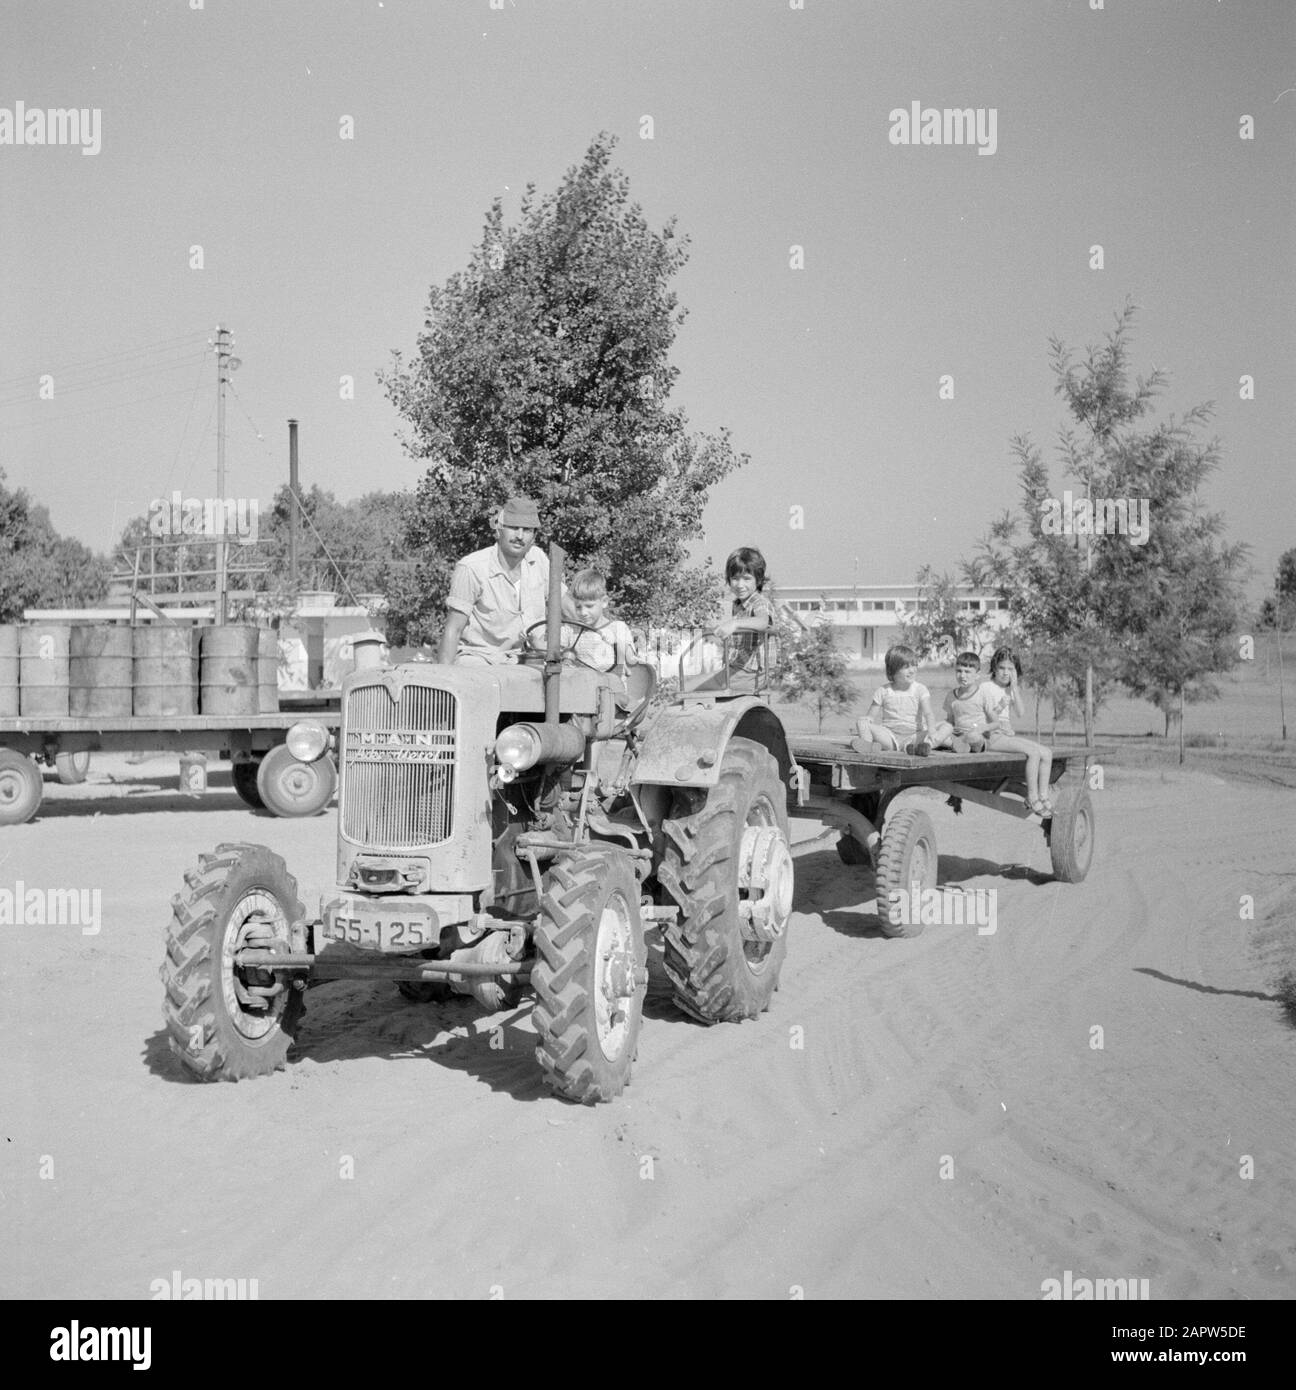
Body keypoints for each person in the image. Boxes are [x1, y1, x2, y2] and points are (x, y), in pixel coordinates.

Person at [438, 496, 566, 666]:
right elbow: (454, 629)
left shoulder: (539, 560)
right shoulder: (472, 568)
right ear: (498, 530)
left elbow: (568, 605)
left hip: (523, 659)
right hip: (479, 659)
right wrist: (444, 676)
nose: (519, 536)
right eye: (513, 528)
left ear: (534, 537)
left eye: (527, 530)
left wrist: (603, 629)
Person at [982, 646, 1054, 815]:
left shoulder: (1010, 689)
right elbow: (984, 715)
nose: (1005, 673)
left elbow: (1020, 713)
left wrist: (1015, 688)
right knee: (1033, 753)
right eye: (1001, 668)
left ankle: (1043, 796)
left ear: (1015, 671)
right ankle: (1032, 797)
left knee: (1046, 753)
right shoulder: (986, 687)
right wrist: (999, 723)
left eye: (1010, 669)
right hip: (992, 735)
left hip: (1005, 735)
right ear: (994, 667)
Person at [852, 643, 936, 756]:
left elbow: (928, 713)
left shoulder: (920, 690)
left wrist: (931, 729)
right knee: (861, 722)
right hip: (889, 737)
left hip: (914, 735)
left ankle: (915, 748)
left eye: (914, 665)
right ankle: (867, 745)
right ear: (893, 670)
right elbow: (870, 717)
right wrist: (865, 724)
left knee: (942, 728)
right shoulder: (883, 691)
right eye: (906, 667)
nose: (912, 670)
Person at [713, 546, 775, 682]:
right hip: (739, 669)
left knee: (689, 686)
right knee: (688, 684)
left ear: (758, 580)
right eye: (735, 578)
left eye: (746, 579)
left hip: (753, 674)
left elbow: (763, 622)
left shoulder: (759, 603)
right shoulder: (738, 605)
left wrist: (735, 623)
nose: (740, 585)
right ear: (729, 580)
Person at [564, 569, 641, 674]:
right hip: (580, 685)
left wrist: (615, 641)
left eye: (589, 606)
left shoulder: (617, 628)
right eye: (578, 607)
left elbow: (631, 660)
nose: (583, 612)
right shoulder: (572, 630)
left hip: (611, 686)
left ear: (604, 602)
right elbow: (551, 651)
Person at [932, 651, 1003, 753]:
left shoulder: (983, 694)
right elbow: (950, 721)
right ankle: (957, 745)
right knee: (934, 731)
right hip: (957, 735)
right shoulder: (951, 696)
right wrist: (935, 726)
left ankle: (962, 746)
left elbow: (997, 723)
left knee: (972, 737)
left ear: (977, 675)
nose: (962, 675)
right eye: (959, 671)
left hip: (977, 736)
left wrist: (984, 727)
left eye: (967, 672)